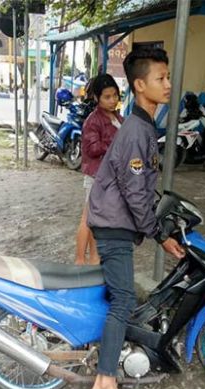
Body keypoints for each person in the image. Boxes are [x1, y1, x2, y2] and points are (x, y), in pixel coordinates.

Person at [85, 48, 185, 389]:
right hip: (113, 223)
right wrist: (157, 232)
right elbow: (134, 189)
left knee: (121, 294)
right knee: (124, 298)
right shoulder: (136, 129)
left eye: (168, 77)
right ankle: (105, 384)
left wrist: (159, 226)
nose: (168, 84)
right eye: (161, 78)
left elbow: (141, 187)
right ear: (140, 85)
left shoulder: (141, 124)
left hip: (116, 220)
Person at [76, 74, 123, 265]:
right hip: (97, 176)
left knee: (97, 221)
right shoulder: (93, 121)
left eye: (115, 96)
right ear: (97, 98)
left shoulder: (118, 117)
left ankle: (94, 259)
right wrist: (115, 142)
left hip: (110, 176)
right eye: (107, 97)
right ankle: (79, 261)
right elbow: (91, 149)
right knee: (88, 219)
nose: (112, 100)